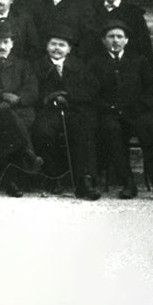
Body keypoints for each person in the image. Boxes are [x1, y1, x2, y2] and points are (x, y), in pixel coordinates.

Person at [92, 20, 153, 200]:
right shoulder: (96, 63)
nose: (115, 41)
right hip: (111, 113)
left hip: (137, 112)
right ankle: (127, 182)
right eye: (111, 37)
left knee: (150, 128)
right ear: (103, 41)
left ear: (126, 40)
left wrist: (140, 107)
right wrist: (108, 107)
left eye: (119, 37)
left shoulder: (139, 61)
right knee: (111, 130)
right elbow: (91, 92)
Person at [31, 26, 101, 200]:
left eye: (61, 45)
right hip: (47, 111)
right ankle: (52, 177)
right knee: (43, 131)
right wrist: (49, 97)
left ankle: (85, 180)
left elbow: (92, 89)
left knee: (82, 130)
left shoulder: (80, 66)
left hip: (74, 110)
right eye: (53, 44)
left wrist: (69, 96)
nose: (56, 48)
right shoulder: (36, 66)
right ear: (47, 46)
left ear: (69, 49)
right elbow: (31, 89)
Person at [0, 21, 43, 197]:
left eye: (6, 42)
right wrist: (3, 96)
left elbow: (32, 88)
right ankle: (28, 154)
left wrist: (16, 100)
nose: (2, 46)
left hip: (20, 110)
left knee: (9, 123)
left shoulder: (23, 64)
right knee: (6, 122)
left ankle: (11, 181)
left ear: (12, 44)